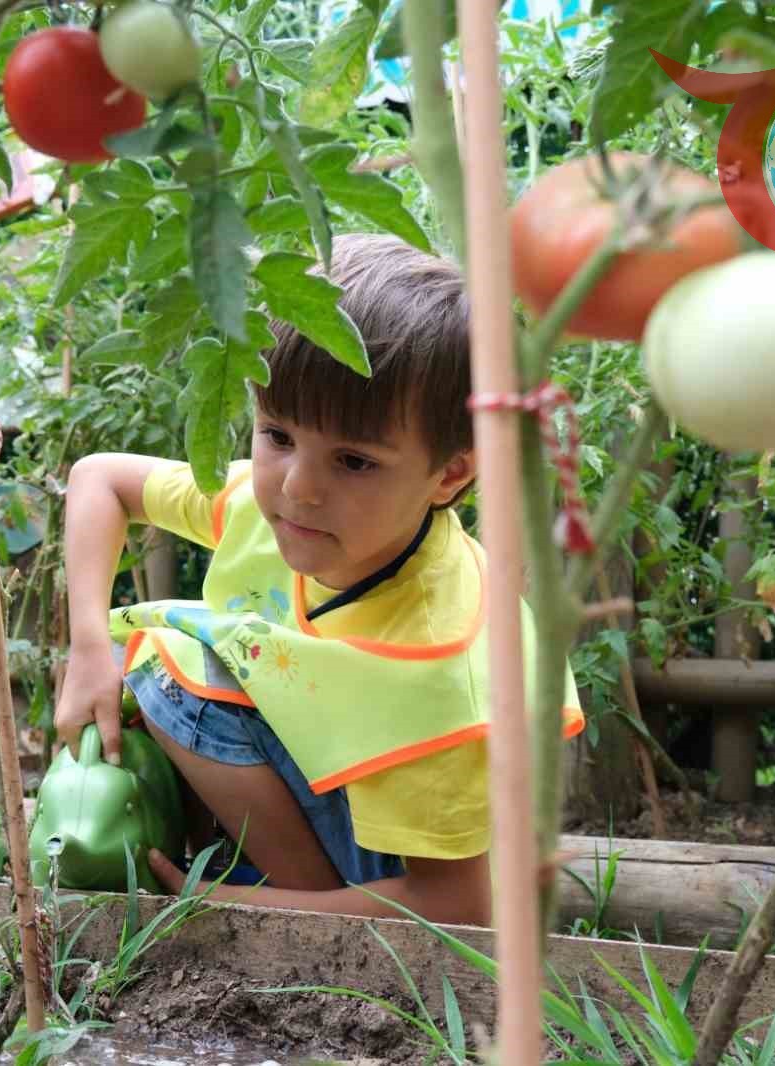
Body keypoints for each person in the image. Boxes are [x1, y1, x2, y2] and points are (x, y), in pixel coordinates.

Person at [54, 233, 583, 926]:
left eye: (355, 462)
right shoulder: (269, 505)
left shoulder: (443, 665)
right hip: (363, 800)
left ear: (450, 473)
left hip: (432, 864)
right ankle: (288, 889)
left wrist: (225, 905)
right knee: (151, 656)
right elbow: (98, 480)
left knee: (176, 667)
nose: (298, 489)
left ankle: (301, 915)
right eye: (277, 435)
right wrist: (88, 646)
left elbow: (460, 910)